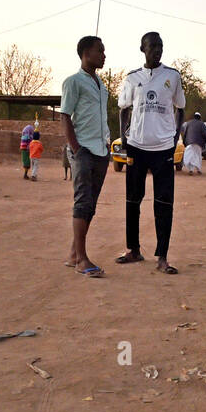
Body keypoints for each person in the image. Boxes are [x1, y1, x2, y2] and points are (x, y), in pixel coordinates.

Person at [117, 31, 186, 274]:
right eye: (153, 46)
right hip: (137, 146)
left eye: (160, 46)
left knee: (164, 202)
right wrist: (125, 138)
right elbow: (123, 108)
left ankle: (163, 256)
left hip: (163, 148)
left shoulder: (172, 76)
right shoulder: (131, 78)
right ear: (142, 49)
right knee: (132, 200)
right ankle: (133, 249)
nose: (157, 50)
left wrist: (175, 136)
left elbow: (180, 108)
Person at [59, 36, 111, 278]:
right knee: (82, 202)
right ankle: (81, 259)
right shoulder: (73, 82)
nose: (104, 55)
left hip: (101, 150)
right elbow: (65, 116)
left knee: (90, 205)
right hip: (84, 151)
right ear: (85, 54)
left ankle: (73, 253)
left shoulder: (102, 86)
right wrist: (77, 149)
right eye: (99, 51)